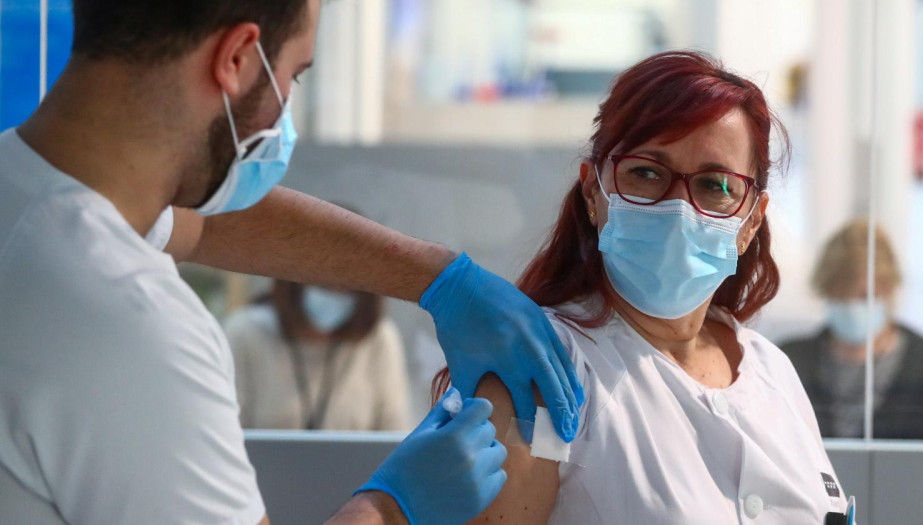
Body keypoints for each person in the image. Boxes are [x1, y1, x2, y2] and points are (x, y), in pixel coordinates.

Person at [0, 2, 585, 524]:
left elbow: (201, 220)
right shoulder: (126, 325)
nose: (285, 111)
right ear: (235, 57)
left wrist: (443, 280)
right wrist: (391, 507)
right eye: (295, 74)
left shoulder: (31, 194)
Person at [433, 51, 851, 524]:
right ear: (594, 191)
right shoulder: (542, 373)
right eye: (647, 172)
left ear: (752, 219)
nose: (678, 209)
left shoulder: (774, 373)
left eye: (715, 185)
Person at [779, 220, 923, 441]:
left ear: (888, 290)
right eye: (840, 295)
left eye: (864, 296)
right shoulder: (789, 361)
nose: (851, 306)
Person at [227, 279, 411, 431]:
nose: (335, 295)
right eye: (324, 284)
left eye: (348, 288)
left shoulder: (379, 339)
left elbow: (394, 432)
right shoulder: (245, 333)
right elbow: (228, 428)